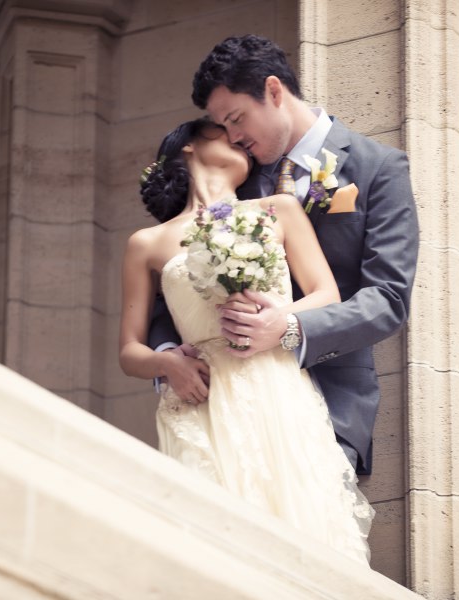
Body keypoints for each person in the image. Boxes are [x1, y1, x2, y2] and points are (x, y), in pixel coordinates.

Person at [152, 35, 419, 475]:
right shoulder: (233, 174)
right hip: (225, 402)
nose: (233, 137)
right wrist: (168, 356)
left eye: (237, 118)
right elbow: (173, 277)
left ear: (274, 91)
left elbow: (388, 298)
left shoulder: (378, 168)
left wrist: (289, 326)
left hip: (330, 402)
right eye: (222, 126)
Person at [119, 118, 373, 563]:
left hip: (276, 387)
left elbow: (325, 295)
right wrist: (168, 365)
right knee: (214, 542)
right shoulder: (147, 243)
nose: (240, 140)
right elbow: (129, 350)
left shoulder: (278, 209)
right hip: (202, 401)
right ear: (188, 148)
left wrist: (276, 320)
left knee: (302, 527)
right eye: (224, 131)